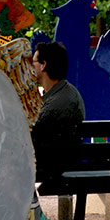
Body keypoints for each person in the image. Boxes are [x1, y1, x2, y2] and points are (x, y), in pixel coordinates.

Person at [30, 41, 85, 180]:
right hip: (63, 164)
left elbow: (32, 137)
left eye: (33, 62)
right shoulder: (69, 92)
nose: (30, 66)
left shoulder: (58, 102)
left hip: (54, 169)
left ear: (44, 65)